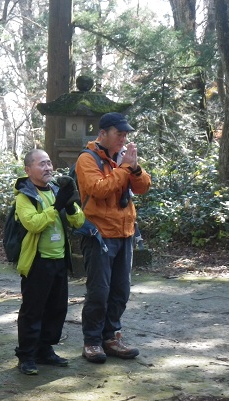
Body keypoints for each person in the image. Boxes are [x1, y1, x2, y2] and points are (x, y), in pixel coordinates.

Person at [75, 113, 151, 364]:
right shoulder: (87, 159)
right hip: (99, 234)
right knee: (99, 291)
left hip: (125, 232)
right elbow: (98, 189)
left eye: (126, 134)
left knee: (120, 290)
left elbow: (142, 187)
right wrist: (125, 168)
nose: (124, 138)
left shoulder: (123, 159)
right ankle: (92, 341)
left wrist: (135, 168)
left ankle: (111, 337)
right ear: (103, 134)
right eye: (119, 134)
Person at [13, 149, 85, 375]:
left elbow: (79, 222)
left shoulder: (56, 190)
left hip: (59, 260)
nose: (48, 168)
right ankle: (26, 355)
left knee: (56, 308)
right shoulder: (24, 196)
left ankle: (45, 350)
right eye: (41, 164)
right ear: (28, 169)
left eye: (49, 163)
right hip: (37, 262)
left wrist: (71, 205)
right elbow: (33, 224)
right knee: (33, 310)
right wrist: (56, 207)